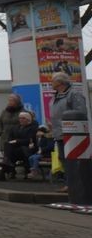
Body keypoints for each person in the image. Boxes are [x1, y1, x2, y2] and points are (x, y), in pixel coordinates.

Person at [50, 71, 89, 203]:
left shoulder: (74, 94)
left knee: (73, 160)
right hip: (59, 134)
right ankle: (69, 183)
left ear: (60, 82)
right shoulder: (56, 96)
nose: (51, 83)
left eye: (53, 80)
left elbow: (81, 111)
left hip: (72, 134)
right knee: (64, 159)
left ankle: (77, 185)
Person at [0, 111, 38, 181]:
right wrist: (14, 142)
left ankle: (3, 172)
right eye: (20, 118)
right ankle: (5, 164)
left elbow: (30, 140)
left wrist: (17, 141)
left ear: (28, 119)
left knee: (11, 153)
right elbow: (10, 138)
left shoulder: (33, 128)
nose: (21, 120)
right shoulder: (15, 128)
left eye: (23, 118)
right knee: (7, 145)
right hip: (16, 149)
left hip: (28, 149)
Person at [0, 94, 24, 174]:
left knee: (9, 155)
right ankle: (9, 171)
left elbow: (24, 123)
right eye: (9, 101)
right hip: (5, 136)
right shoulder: (4, 111)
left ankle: (5, 173)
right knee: (6, 154)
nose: (10, 102)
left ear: (17, 102)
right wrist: (0, 132)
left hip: (16, 136)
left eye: (12, 101)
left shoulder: (22, 112)